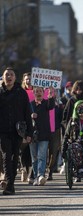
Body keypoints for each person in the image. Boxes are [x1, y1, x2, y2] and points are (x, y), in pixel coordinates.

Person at [0, 67, 33, 195]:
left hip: (18, 131)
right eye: (6, 74)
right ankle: (9, 186)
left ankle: (10, 183)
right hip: (3, 131)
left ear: (15, 78)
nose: (9, 76)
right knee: (6, 156)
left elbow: (27, 112)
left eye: (11, 74)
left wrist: (29, 133)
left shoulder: (21, 93)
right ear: (3, 77)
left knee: (14, 157)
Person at [62, 100, 83, 183]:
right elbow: (66, 136)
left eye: (82, 108)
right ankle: (79, 167)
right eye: (78, 108)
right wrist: (63, 151)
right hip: (76, 142)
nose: (80, 110)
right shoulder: (72, 121)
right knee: (74, 146)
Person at [30, 86, 55, 186]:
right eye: (36, 91)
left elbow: (51, 106)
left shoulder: (46, 103)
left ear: (43, 92)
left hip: (44, 134)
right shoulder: (30, 105)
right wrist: (30, 115)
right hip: (32, 134)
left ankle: (41, 175)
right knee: (34, 157)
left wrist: (50, 97)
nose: (38, 93)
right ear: (33, 93)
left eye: (40, 91)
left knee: (42, 156)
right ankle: (36, 176)